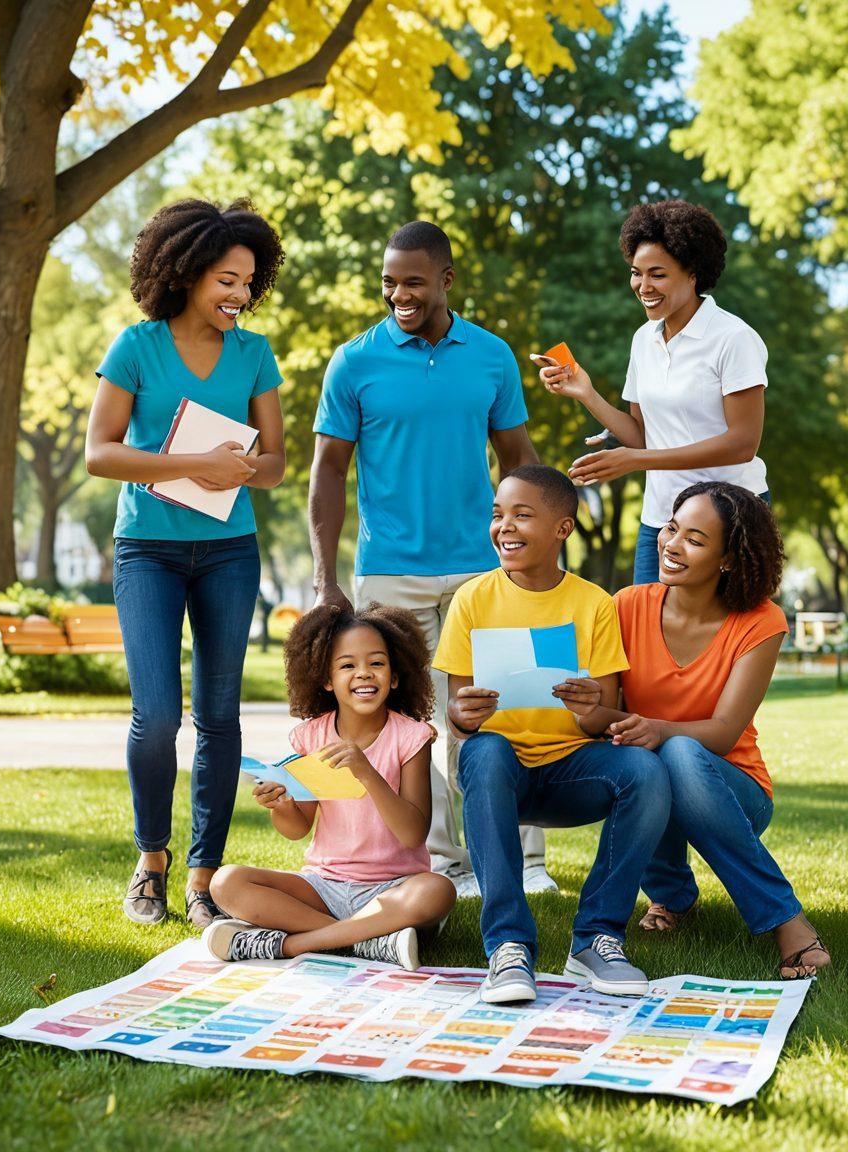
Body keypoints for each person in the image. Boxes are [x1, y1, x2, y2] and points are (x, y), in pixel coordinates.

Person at [309, 219, 556, 897]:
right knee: (412, 723)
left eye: (412, 282)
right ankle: (446, 863)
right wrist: (325, 578)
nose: (398, 295)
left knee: (502, 707)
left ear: (446, 279)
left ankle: (526, 862)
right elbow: (328, 471)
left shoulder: (491, 355)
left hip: (483, 568)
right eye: (389, 282)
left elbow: (518, 460)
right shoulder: (354, 362)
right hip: (390, 569)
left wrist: (529, 555)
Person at [85, 198, 286, 929]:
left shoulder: (254, 353)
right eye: (228, 280)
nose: (240, 295)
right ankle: (151, 863)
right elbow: (99, 451)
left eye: (250, 283)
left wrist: (237, 469)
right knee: (157, 716)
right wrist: (189, 462)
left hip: (229, 550)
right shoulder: (136, 346)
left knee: (221, 716)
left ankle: (203, 879)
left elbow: (274, 467)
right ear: (189, 272)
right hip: (148, 550)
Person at [433, 465, 671, 1003]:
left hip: (571, 769)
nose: (505, 527)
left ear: (563, 528)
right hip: (499, 770)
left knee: (645, 770)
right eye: (498, 515)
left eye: (522, 515)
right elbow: (459, 716)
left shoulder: (593, 604)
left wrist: (591, 709)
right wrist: (464, 714)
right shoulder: (472, 599)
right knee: (487, 749)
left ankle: (596, 937)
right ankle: (508, 947)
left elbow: (606, 717)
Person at [589, 482, 829, 979]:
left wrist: (656, 729)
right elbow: (607, 718)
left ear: (727, 558)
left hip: (733, 787)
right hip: (652, 770)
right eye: (671, 528)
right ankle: (673, 894)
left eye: (695, 540)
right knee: (640, 759)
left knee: (673, 751)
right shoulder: (626, 605)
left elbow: (723, 733)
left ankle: (786, 921)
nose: (672, 545)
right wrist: (586, 707)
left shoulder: (761, 621)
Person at [204, 604, 457, 969]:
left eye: (377, 663)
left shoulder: (411, 737)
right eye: (347, 665)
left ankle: (290, 946)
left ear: (396, 676)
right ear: (326, 679)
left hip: (395, 886)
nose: (364, 674)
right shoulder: (312, 736)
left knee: (438, 890)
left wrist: (367, 772)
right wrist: (282, 806)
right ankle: (369, 942)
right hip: (325, 886)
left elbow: (413, 834)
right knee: (226, 882)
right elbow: (296, 829)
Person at [534, 199, 770, 584]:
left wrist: (637, 460)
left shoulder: (733, 338)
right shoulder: (644, 339)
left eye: (657, 274)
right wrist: (587, 393)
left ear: (692, 273)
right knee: (647, 635)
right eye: (636, 273)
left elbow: (742, 443)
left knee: (725, 639)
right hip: (662, 518)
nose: (643, 287)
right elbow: (642, 436)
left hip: (729, 517)